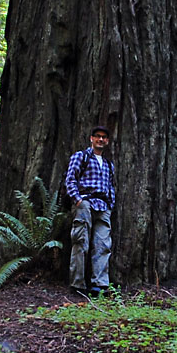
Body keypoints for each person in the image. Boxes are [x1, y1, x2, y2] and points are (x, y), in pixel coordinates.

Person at [65, 125, 116, 295]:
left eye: (104, 137)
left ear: (107, 141)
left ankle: (99, 285)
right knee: (81, 242)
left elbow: (111, 186)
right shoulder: (82, 156)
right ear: (91, 139)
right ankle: (77, 284)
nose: (100, 139)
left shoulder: (109, 164)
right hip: (85, 202)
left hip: (103, 206)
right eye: (97, 136)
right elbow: (71, 178)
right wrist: (78, 200)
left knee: (103, 245)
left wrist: (110, 204)